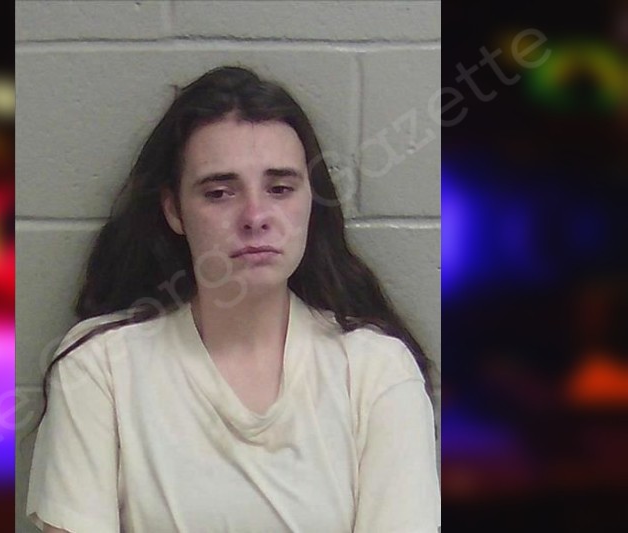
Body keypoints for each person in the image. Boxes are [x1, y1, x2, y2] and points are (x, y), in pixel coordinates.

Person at [26, 65, 440, 532]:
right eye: (220, 192)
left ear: (311, 201)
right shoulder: (99, 366)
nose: (256, 216)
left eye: (280, 189)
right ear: (174, 210)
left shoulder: (377, 369)